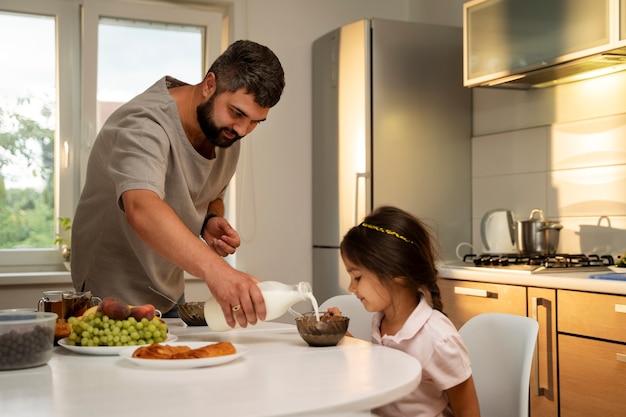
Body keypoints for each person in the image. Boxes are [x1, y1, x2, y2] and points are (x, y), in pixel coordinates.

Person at [71, 40, 285, 328]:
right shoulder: (145, 123)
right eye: (237, 113)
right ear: (210, 84)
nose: (243, 130)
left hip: (169, 293)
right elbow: (141, 207)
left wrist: (210, 219)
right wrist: (219, 272)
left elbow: (210, 195)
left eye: (256, 122)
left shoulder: (225, 134)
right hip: (111, 293)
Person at [336, 206, 480, 417]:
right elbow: (384, 368)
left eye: (357, 277)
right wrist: (343, 336)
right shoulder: (382, 320)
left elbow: (468, 410)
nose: (351, 287)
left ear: (397, 274)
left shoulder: (438, 339)